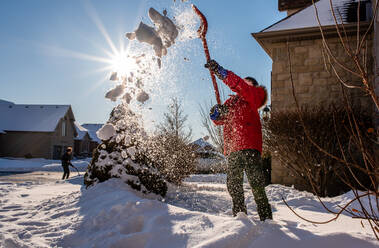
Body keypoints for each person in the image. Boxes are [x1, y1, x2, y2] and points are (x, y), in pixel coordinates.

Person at [205, 59, 272, 221]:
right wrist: (216, 113)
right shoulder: (232, 101)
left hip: (250, 146)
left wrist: (222, 72)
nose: (243, 85)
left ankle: (266, 218)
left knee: (256, 184)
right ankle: (240, 216)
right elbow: (220, 120)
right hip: (234, 148)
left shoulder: (255, 95)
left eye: (246, 83)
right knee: (233, 184)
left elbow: (240, 86)